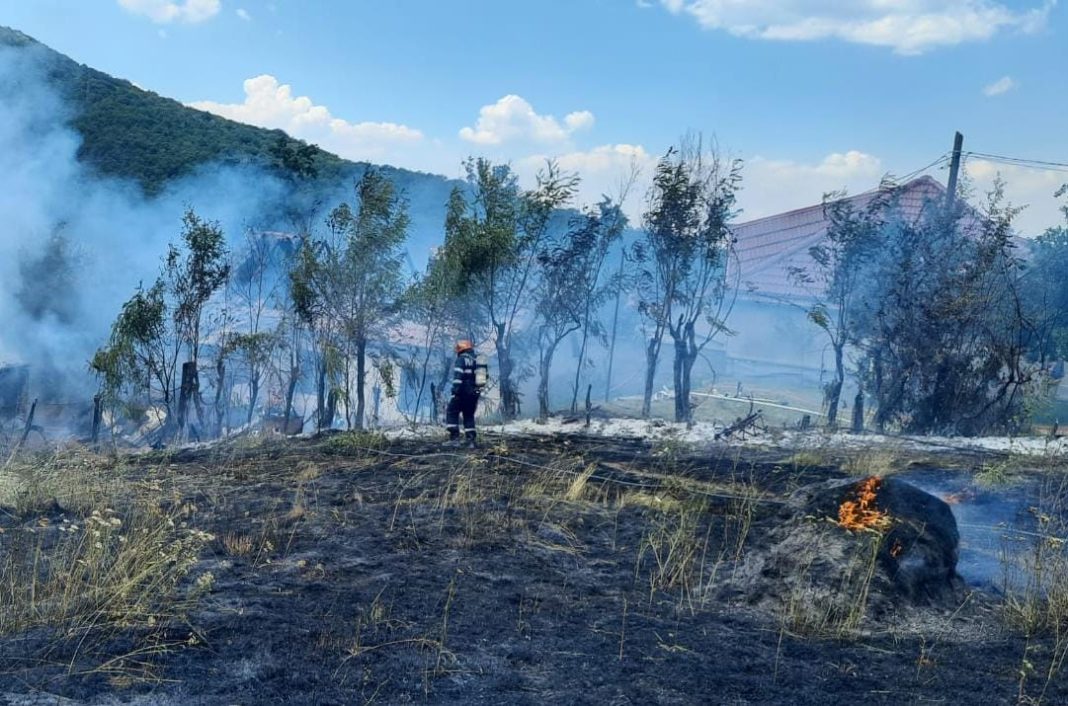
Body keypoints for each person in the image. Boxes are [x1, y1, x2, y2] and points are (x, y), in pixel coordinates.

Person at [445, 340, 483, 448]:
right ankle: (471, 440)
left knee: (452, 412)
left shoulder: (461, 360)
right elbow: (483, 378)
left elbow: (458, 377)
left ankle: (454, 439)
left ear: (460, 349)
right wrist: (477, 392)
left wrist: (454, 392)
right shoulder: (477, 360)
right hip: (474, 393)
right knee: (469, 415)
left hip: (462, 392)